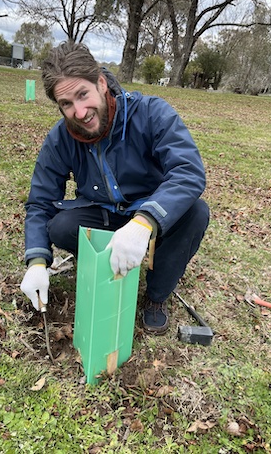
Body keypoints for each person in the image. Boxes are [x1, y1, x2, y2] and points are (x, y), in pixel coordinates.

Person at [20, 41, 209, 334]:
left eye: (83, 95)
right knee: (60, 226)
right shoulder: (60, 138)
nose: (80, 112)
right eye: (67, 104)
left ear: (101, 83)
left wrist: (144, 223)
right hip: (102, 212)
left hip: (150, 216)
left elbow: (189, 171)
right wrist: (35, 261)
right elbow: (40, 203)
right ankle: (104, 263)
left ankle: (156, 297)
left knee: (196, 212)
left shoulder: (150, 113)